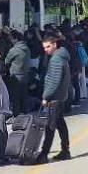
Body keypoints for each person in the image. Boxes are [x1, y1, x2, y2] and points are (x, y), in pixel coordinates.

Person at [36, 33, 71, 164]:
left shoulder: (56, 59)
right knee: (60, 124)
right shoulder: (62, 56)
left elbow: (54, 81)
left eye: (48, 47)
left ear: (55, 45)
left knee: (50, 126)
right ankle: (65, 150)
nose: (46, 50)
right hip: (61, 96)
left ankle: (44, 154)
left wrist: (46, 96)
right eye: (44, 47)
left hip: (55, 98)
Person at [4, 30, 31, 116]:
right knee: (24, 95)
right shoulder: (27, 48)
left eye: (11, 39)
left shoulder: (14, 50)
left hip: (15, 75)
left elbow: (6, 61)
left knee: (15, 97)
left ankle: (17, 115)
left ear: (15, 39)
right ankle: (25, 113)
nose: (11, 41)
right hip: (25, 75)